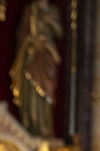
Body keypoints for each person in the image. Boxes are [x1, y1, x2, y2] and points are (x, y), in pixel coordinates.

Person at [10, 0, 63, 138]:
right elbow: (21, 33)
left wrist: (50, 22)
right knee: (30, 89)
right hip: (31, 55)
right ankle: (31, 126)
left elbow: (59, 33)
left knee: (47, 89)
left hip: (47, 55)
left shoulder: (53, 10)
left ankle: (45, 127)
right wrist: (31, 41)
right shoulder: (30, 9)